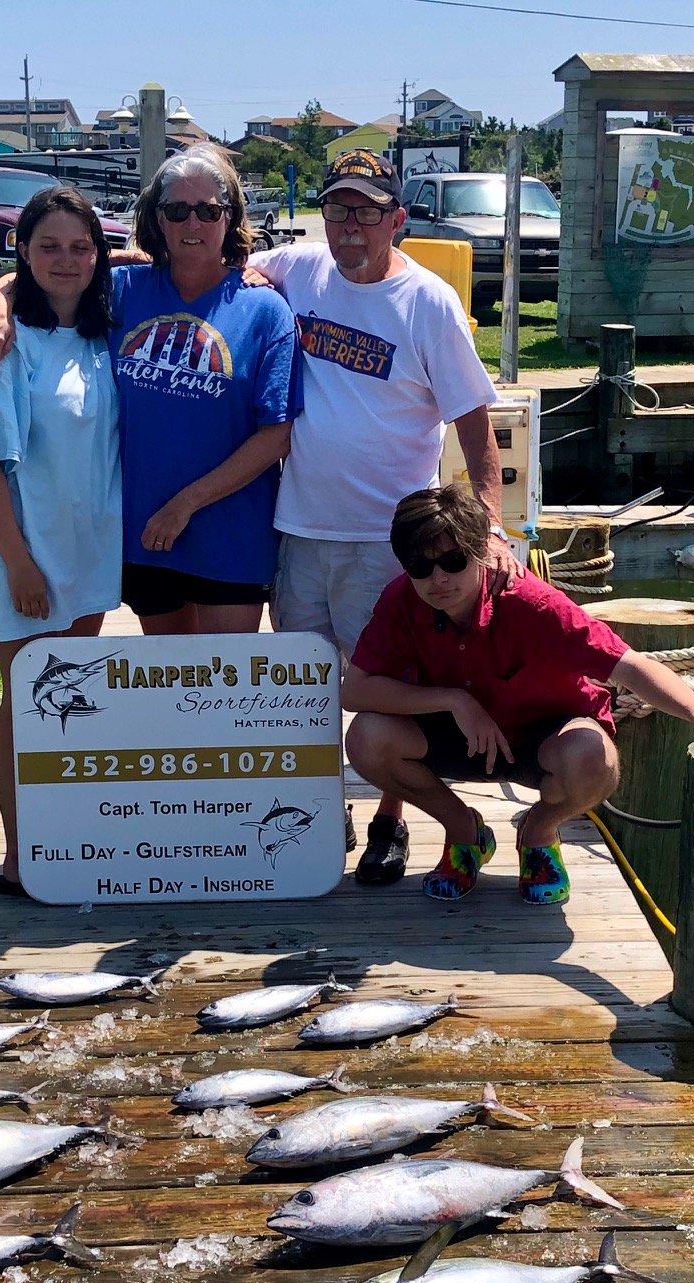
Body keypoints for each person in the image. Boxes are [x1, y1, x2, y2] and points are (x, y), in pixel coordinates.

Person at [251, 148, 513, 888]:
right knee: (302, 688)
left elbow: (474, 426)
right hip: (300, 528)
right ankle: (317, 805)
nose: (352, 227)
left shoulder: (428, 303)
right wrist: (9, 287)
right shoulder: (297, 269)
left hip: (391, 544)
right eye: (338, 209)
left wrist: (488, 527)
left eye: (369, 211)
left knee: (386, 688)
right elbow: (202, 250)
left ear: (397, 219)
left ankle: (391, 823)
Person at [344, 484, 694, 906]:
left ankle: (539, 832)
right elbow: (356, 690)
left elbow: (629, 665)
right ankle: (464, 832)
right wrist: (455, 700)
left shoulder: (533, 603)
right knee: (366, 738)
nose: (438, 579)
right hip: (461, 736)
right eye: (421, 567)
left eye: (453, 561)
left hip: (543, 740)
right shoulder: (400, 601)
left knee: (594, 757)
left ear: (481, 551)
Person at [0, 144, 300, 633]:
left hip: (230, 536)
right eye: (177, 210)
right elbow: (53, 268)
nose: (193, 224)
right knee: (167, 691)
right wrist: (0, 299)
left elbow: (276, 435)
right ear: (157, 219)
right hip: (143, 533)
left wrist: (186, 504)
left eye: (208, 210)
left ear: (229, 217)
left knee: (222, 694)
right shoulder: (123, 290)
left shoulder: (265, 310)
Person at [0, 186, 123, 896]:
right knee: (27, 697)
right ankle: (22, 851)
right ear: (21, 252)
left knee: (71, 701)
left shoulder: (104, 328)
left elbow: (159, 253)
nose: (66, 260)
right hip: (20, 545)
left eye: (80, 247)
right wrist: (19, 564)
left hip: (88, 547)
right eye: (47, 246)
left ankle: (71, 836)